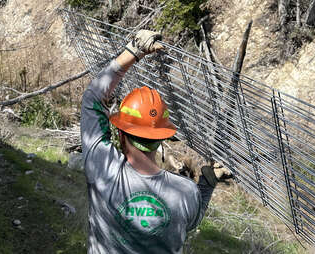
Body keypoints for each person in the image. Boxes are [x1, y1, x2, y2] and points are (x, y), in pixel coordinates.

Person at [80, 30, 228, 254]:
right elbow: (193, 219)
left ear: (121, 134)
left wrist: (133, 52)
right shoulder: (186, 192)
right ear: (162, 137)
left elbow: (93, 98)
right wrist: (206, 184)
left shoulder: (103, 170)